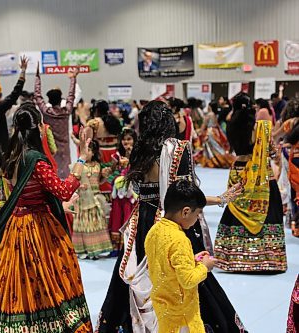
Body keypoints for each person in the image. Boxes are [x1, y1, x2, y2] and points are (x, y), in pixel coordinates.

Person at [0, 102, 92, 332]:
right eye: (42, 124)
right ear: (38, 128)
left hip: (16, 225)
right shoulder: (35, 160)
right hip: (37, 228)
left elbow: (28, 192)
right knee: (45, 280)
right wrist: (81, 160)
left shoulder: (13, 156)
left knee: (12, 280)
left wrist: (61, 205)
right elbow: (63, 189)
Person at [96, 101, 246, 333]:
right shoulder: (177, 149)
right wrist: (220, 199)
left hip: (142, 221)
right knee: (188, 272)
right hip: (171, 220)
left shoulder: (139, 150)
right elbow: (184, 196)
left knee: (138, 276)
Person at [215, 92, 287, 273]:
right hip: (261, 175)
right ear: (252, 107)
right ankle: (267, 259)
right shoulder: (262, 128)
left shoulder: (230, 125)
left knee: (235, 210)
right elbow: (272, 153)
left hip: (239, 171)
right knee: (268, 211)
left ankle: (233, 258)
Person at [145, 180, 217, 333]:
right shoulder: (179, 239)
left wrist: (192, 260)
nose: (197, 219)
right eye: (197, 214)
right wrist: (205, 267)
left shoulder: (154, 230)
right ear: (185, 212)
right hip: (182, 312)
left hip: (163, 305)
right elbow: (188, 280)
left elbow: (166, 263)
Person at [34, 65, 78, 179]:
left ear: (49, 100)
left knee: (52, 172)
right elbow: (71, 95)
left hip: (50, 146)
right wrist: (73, 78)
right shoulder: (66, 111)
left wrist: (37, 77)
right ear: (61, 99)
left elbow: (37, 95)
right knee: (66, 173)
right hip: (65, 147)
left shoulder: (46, 111)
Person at [72, 140, 113, 259]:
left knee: (95, 223)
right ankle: (84, 250)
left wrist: (105, 177)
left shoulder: (97, 165)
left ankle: (96, 249)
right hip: (83, 199)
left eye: (89, 150)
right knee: (84, 224)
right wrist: (80, 186)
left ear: (93, 152)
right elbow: (73, 180)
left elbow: (99, 181)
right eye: (84, 150)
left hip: (95, 198)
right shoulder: (79, 165)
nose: (86, 152)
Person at [109, 128, 137, 255]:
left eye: (129, 139)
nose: (126, 142)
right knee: (116, 218)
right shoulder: (116, 156)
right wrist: (114, 166)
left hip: (131, 194)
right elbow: (111, 173)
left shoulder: (138, 155)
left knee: (128, 217)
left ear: (134, 140)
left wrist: (132, 158)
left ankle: (129, 247)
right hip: (118, 194)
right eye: (124, 139)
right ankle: (116, 248)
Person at [196, 100, 234, 168]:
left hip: (210, 132)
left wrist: (200, 132)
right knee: (217, 147)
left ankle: (216, 161)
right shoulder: (214, 114)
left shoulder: (209, 114)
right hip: (215, 131)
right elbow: (217, 124)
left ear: (210, 107)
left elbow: (204, 125)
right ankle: (221, 160)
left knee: (213, 148)